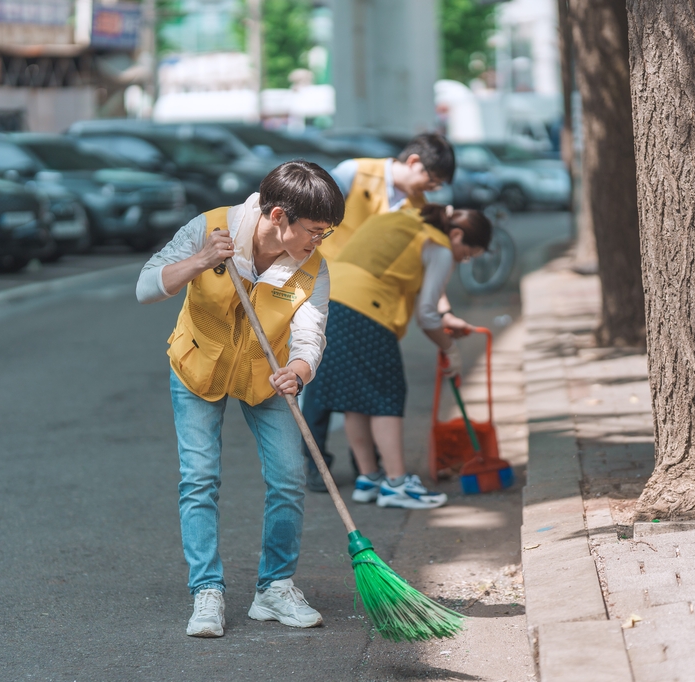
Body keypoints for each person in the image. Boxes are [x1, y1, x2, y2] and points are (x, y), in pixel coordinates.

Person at [135, 160, 345, 638]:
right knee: (200, 477)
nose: (319, 241)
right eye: (314, 230)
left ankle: (274, 588)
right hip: (197, 366)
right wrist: (200, 261)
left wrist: (299, 369)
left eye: (326, 232)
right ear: (277, 216)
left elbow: (312, 334)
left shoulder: (313, 268)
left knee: (291, 477)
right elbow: (146, 288)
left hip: (265, 375)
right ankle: (207, 591)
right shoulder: (210, 228)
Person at [301, 132, 467, 491]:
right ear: (413, 162)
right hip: (322, 285)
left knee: (353, 386)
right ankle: (313, 462)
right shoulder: (353, 173)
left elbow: (420, 267)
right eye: (431, 179)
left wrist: (445, 310)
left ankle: (369, 470)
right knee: (319, 379)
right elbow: (308, 215)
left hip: (367, 299)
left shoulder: (419, 206)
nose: (433, 189)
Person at [308, 204, 491, 509]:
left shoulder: (405, 218)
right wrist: (450, 349)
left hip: (330, 301)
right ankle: (397, 483)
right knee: (386, 396)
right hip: (367, 310)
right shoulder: (440, 247)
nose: (464, 260)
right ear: (456, 234)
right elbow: (428, 317)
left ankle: (369, 478)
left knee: (356, 397)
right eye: (468, 253)